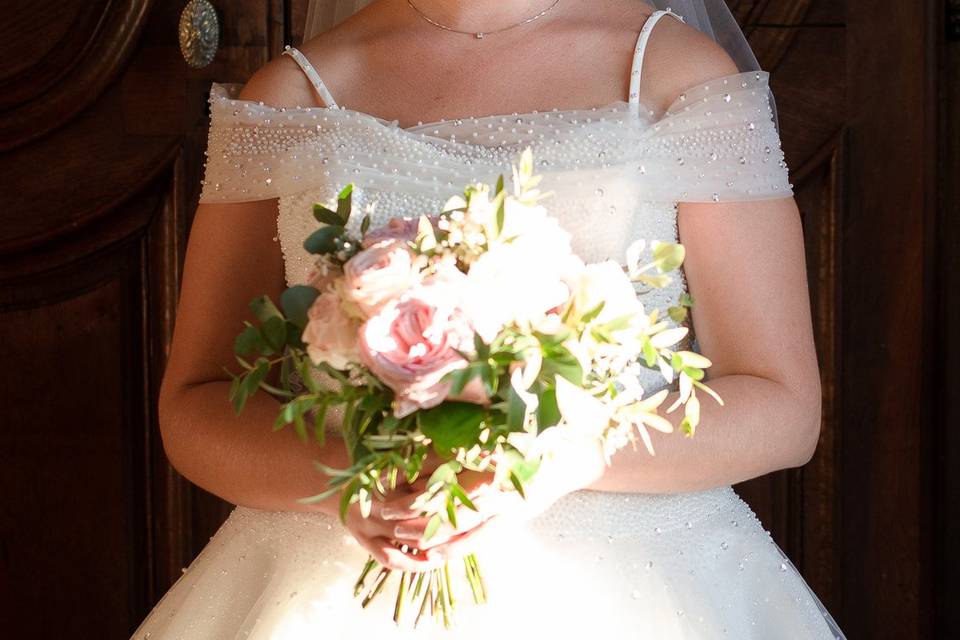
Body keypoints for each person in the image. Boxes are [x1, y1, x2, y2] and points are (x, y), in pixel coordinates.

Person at [134, 0, 846, 637]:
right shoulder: (291, 93)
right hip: (339, 576)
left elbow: (782, 405)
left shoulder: (675, 73)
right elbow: (195, 403)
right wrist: (351, 478)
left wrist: (566, 456)